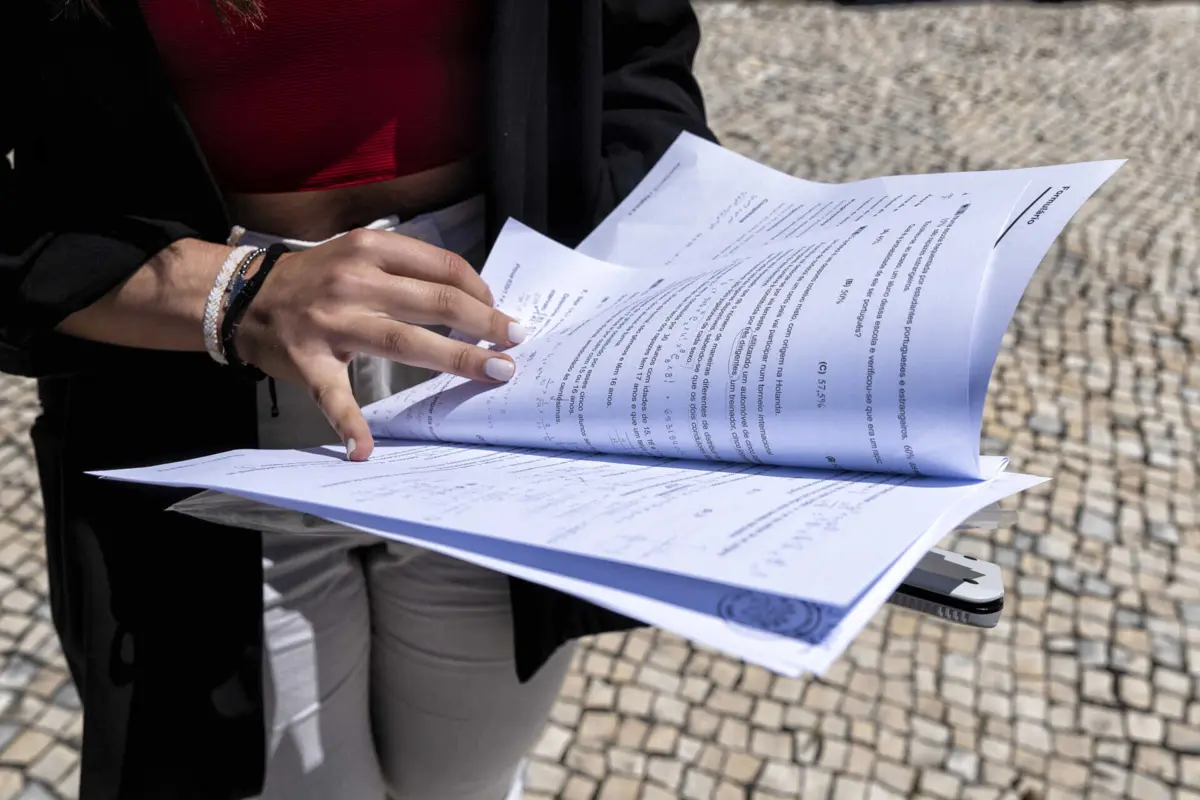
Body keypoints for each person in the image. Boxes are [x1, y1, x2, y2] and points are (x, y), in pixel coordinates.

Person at [0, 0, 713, 797]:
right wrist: (232, 294)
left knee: (465, 782)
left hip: (499, 355)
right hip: (195, 386)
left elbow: (636, 57)